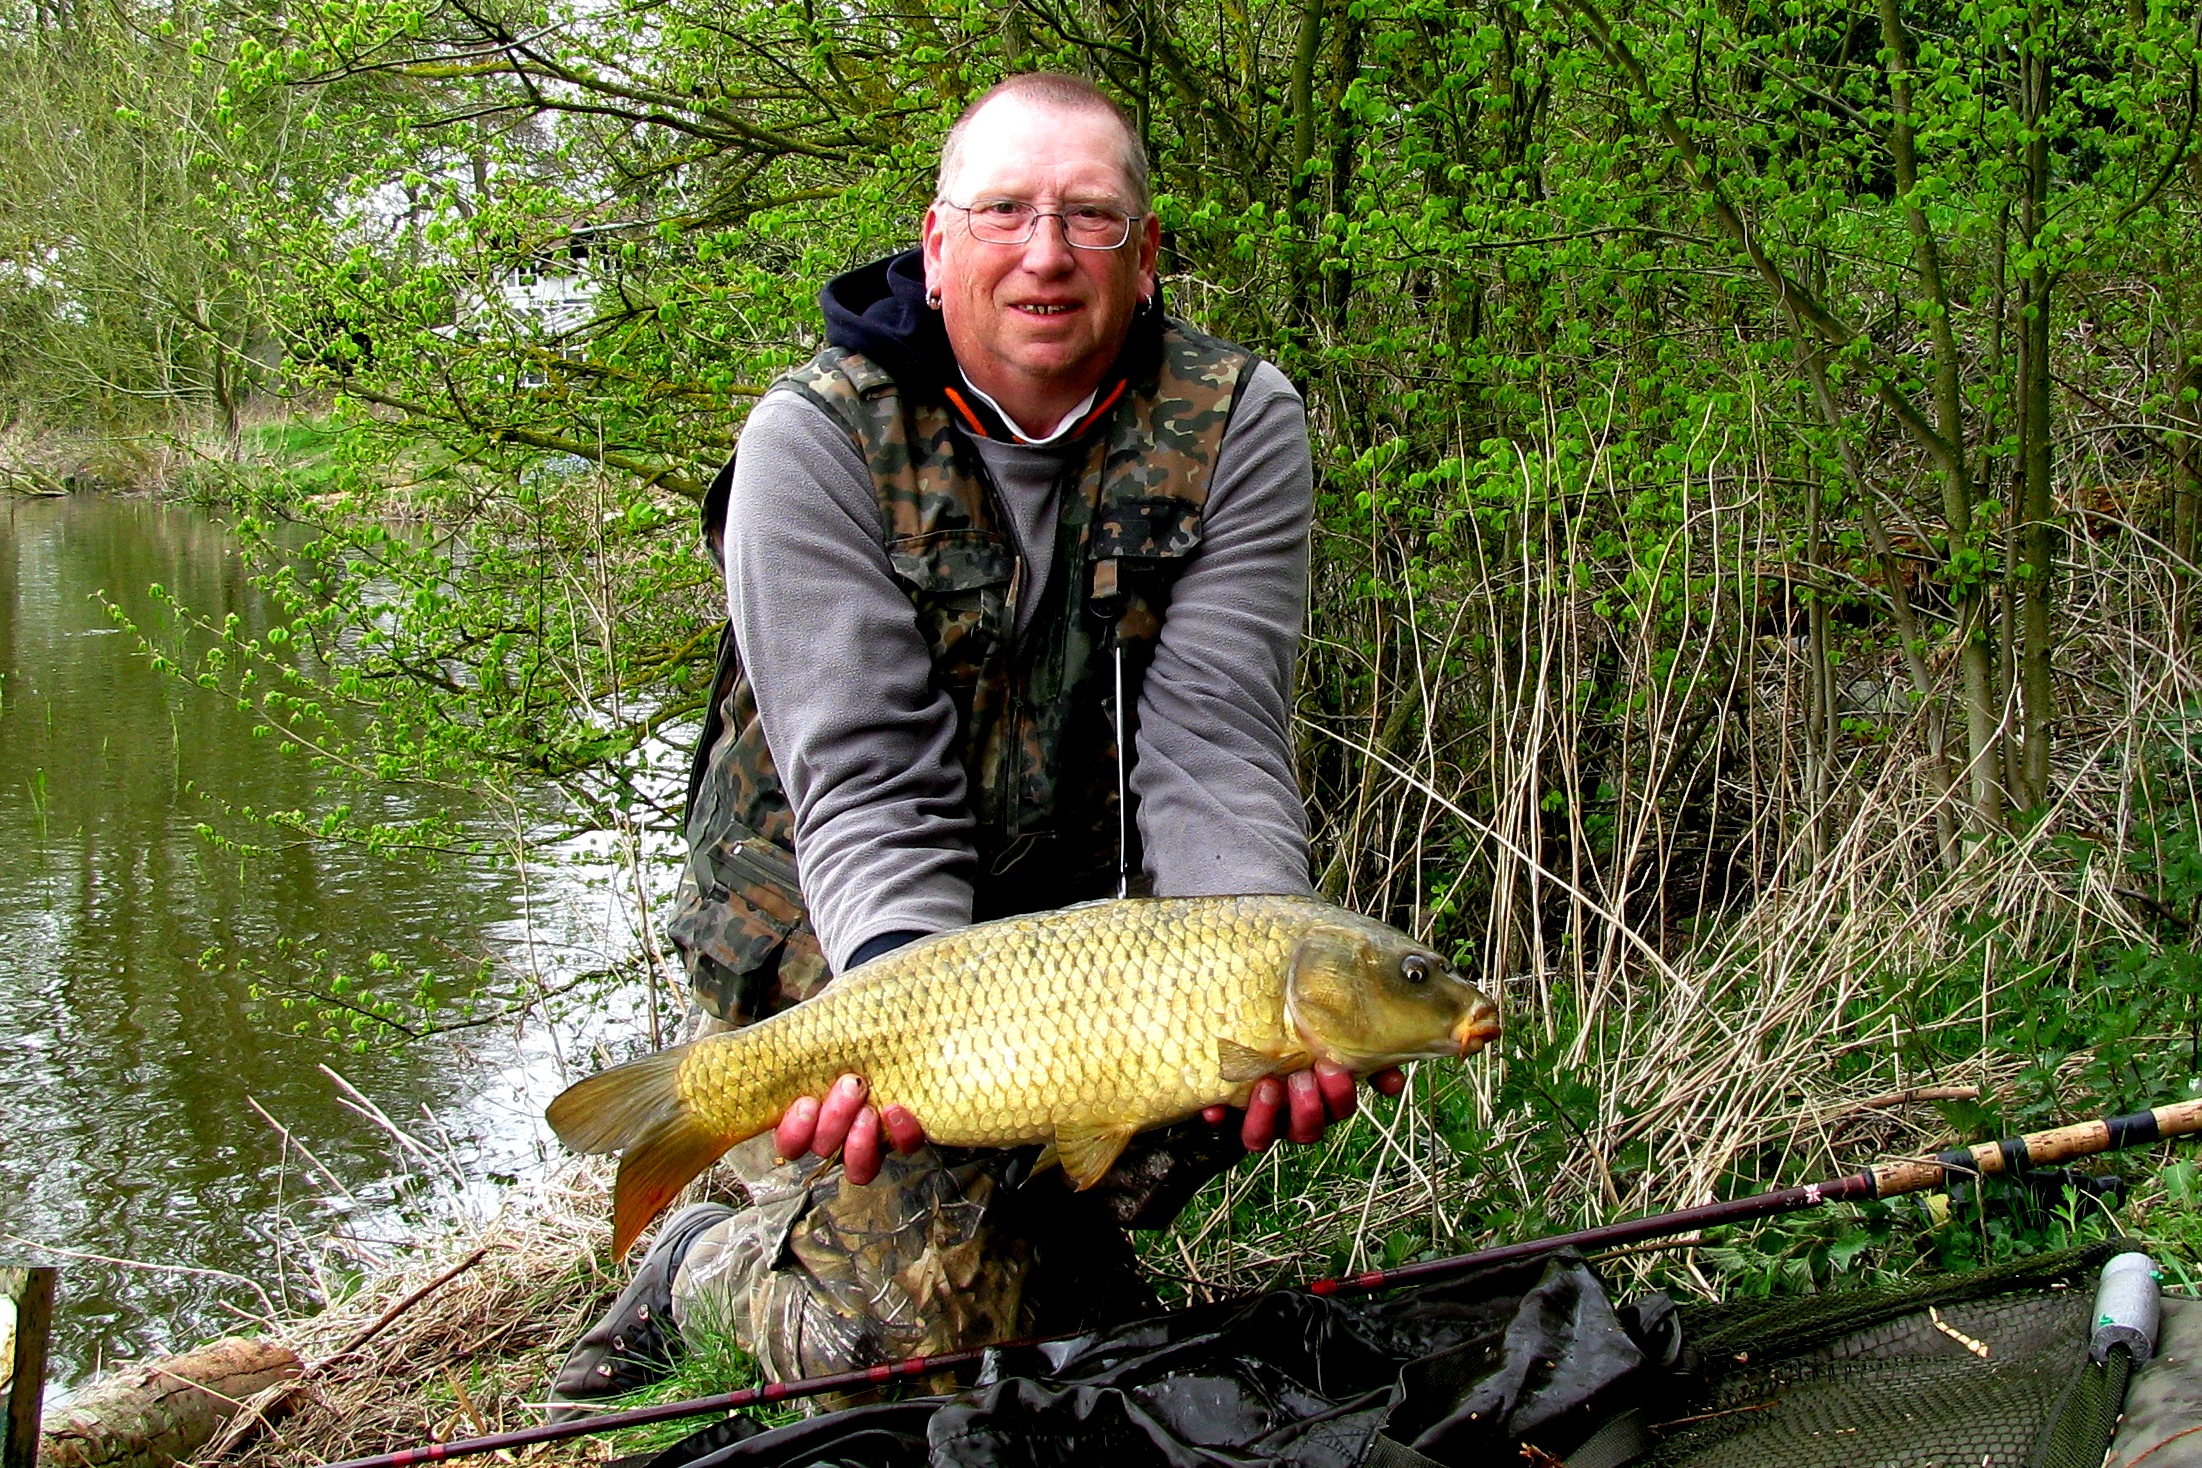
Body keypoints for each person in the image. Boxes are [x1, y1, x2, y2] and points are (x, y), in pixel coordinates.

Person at [546, 71, 1404, 1414]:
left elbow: (1212, 741)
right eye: (1003, 211)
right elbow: (865, 778)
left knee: (1237, 1055)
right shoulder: (811, 439)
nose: (1047, 254)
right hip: (829, 923)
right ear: (937, 247)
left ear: (1147, 250)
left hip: (1066, 931)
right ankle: (703, 1257)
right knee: (918, 1358)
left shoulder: (1238, 420)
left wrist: (1268, 953)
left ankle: (1027, 1235)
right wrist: (898, 1017)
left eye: (1090, 216)